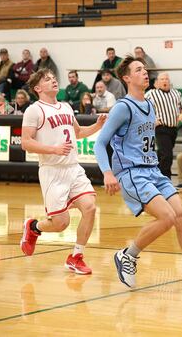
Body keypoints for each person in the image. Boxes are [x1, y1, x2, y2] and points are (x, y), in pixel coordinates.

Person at [94, 56, 182, 291]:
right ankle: (128, 255)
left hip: (153, 170)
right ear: (126, 78)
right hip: (132, 173)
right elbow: (100, 143)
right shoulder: (122, 107)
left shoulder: (149, 104)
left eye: (145, 69)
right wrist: (107, 173)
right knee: (167, 218)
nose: (145, 72)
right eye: (138, 70)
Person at [19, 68, 106, 274]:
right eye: (47, 80)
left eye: (53, 78)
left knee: (90, 207)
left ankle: (76, 256)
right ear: (38, 88)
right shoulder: (34, 110)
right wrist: (54, 149)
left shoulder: (66, 106)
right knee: (60, 223)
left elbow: (78, 133)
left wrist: (98, 125)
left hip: (73, 168)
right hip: (52, 170)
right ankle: (33, 227)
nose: (53, 81)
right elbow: (25, 142)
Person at [146, 73, 182, 178]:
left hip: (173, 128)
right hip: (161, 128)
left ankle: (156, 178)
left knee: (162, 155)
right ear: (157, 83)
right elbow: (142, 108)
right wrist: (152, 120)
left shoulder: (176, 93)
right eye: (162, 79)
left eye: (166, 79)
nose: (165, 81)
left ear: (169, 81)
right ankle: (166, 181)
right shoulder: (151, 94)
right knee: (167, 155)